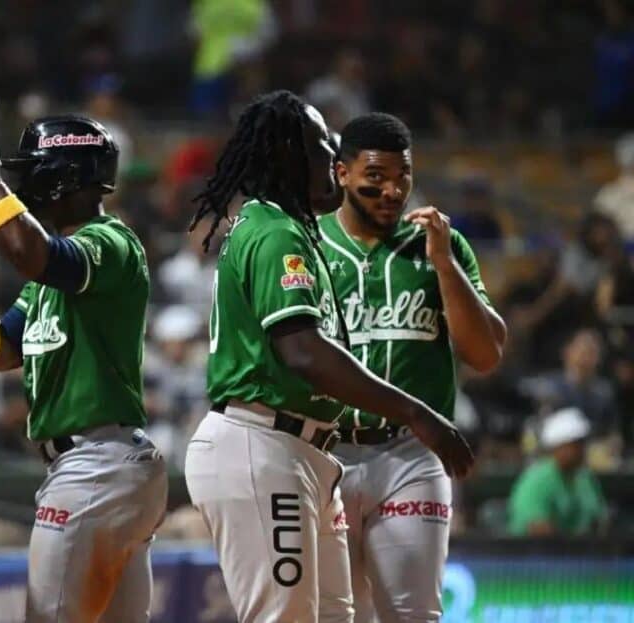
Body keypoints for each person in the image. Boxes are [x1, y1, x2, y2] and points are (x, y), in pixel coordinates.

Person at [182, 91, 474, 623]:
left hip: (305, 451)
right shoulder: (275, 233)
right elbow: (304, 353)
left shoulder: (292, 230)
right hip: (263, 443)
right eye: (323, 147)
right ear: (290, 157)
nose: (334, 161)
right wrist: (416, 411)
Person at [0, 64, 168, 623]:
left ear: (61, 175)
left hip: (95, 465)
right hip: (105, 466)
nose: (23, 184)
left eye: (32, 171)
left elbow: (30, 251)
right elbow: (5, 348)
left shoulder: (108, 242)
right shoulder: (54, 275)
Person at [317, 112, 507, 623]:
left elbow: (485, 354)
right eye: (374, 177)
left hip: (409, 455)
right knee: (331, 616)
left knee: (414, 615)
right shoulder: (306, 245)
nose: (391, 190)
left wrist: (444, 263)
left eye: (402, 178)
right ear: (341, 173)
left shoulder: (440, 245)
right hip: (321, 452)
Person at [509, 407, 607, 536]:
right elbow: (538, 529)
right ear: (558, 447)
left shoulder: (585, 478)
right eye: (576, 444)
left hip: (583, 553)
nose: (582, 449)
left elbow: (599, 520)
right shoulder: (537, 480)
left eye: (583, 443)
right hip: (534, 554)